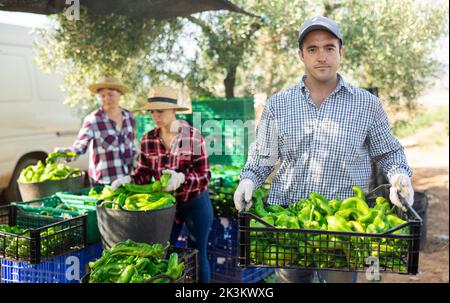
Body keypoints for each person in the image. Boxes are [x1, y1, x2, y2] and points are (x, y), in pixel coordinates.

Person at [233, 16, 414, 283]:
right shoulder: (278, 105)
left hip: (344, 225)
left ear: (341, 52)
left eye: (329, 47)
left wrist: (400, 175)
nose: (322, 56)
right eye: (312, 49)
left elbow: (388, 152)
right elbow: (263, 157)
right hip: (288, 222)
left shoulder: (367, 104)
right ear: (301, 55)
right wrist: (248, 179)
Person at [111, 85, 213, 283]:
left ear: (174, 110)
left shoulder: (192, 136)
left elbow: (204, 175)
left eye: (160, 111)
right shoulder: (148, 139)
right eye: (152, 111)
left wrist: (182, 179)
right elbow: (143, 173)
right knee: (161, 255)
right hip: (165, 207)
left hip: (195, 204)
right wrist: (128, 180)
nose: (155, 116)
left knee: (198, 255)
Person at [55, 77, 137, 186]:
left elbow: (132, 145)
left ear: (119, 94)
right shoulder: (93, 119)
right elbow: (80, 145)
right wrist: (64, 153)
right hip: (104, 181)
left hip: (127, 179)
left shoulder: (129, 116)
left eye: (110, 94)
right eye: (103, 96)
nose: (107, 98)